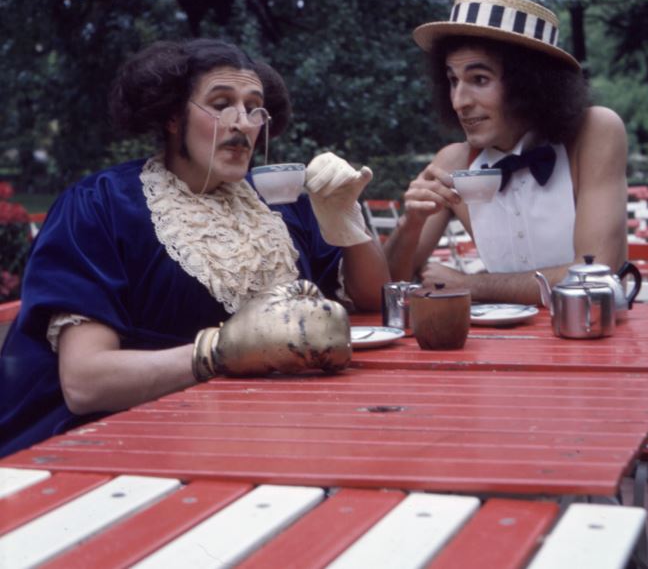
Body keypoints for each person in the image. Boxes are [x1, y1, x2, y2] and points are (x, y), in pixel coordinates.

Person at [0, 38, 389, 458]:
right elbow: (86, 383)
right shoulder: (102, 205)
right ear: (171, 116)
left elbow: (373, 300)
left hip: (282, 429)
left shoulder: (281, 202)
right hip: (126, 444)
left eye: (254, 107)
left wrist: (346, 218)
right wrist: (223, 352)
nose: (243, 123)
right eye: (221, 104)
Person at [385, 0, 629, 303]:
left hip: (592, 337)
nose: (459, 102)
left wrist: (473, 285)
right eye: (453, 80)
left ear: (529, 84)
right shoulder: (453, 164)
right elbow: (390, 284)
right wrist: (412, 224)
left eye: (480, 79)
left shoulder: (593, 132)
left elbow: (595, 279)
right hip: (501, 348)